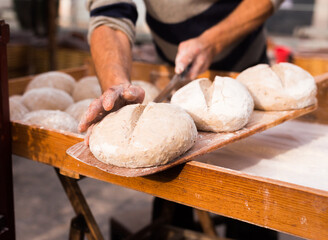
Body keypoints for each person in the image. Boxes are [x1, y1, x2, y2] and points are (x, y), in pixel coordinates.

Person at [80, 0, 283, 238]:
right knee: (173, 189)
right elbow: (110, 14)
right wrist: (116, 83)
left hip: (247, 77)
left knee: (251, 200)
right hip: (180, 76)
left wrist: (213, 41)